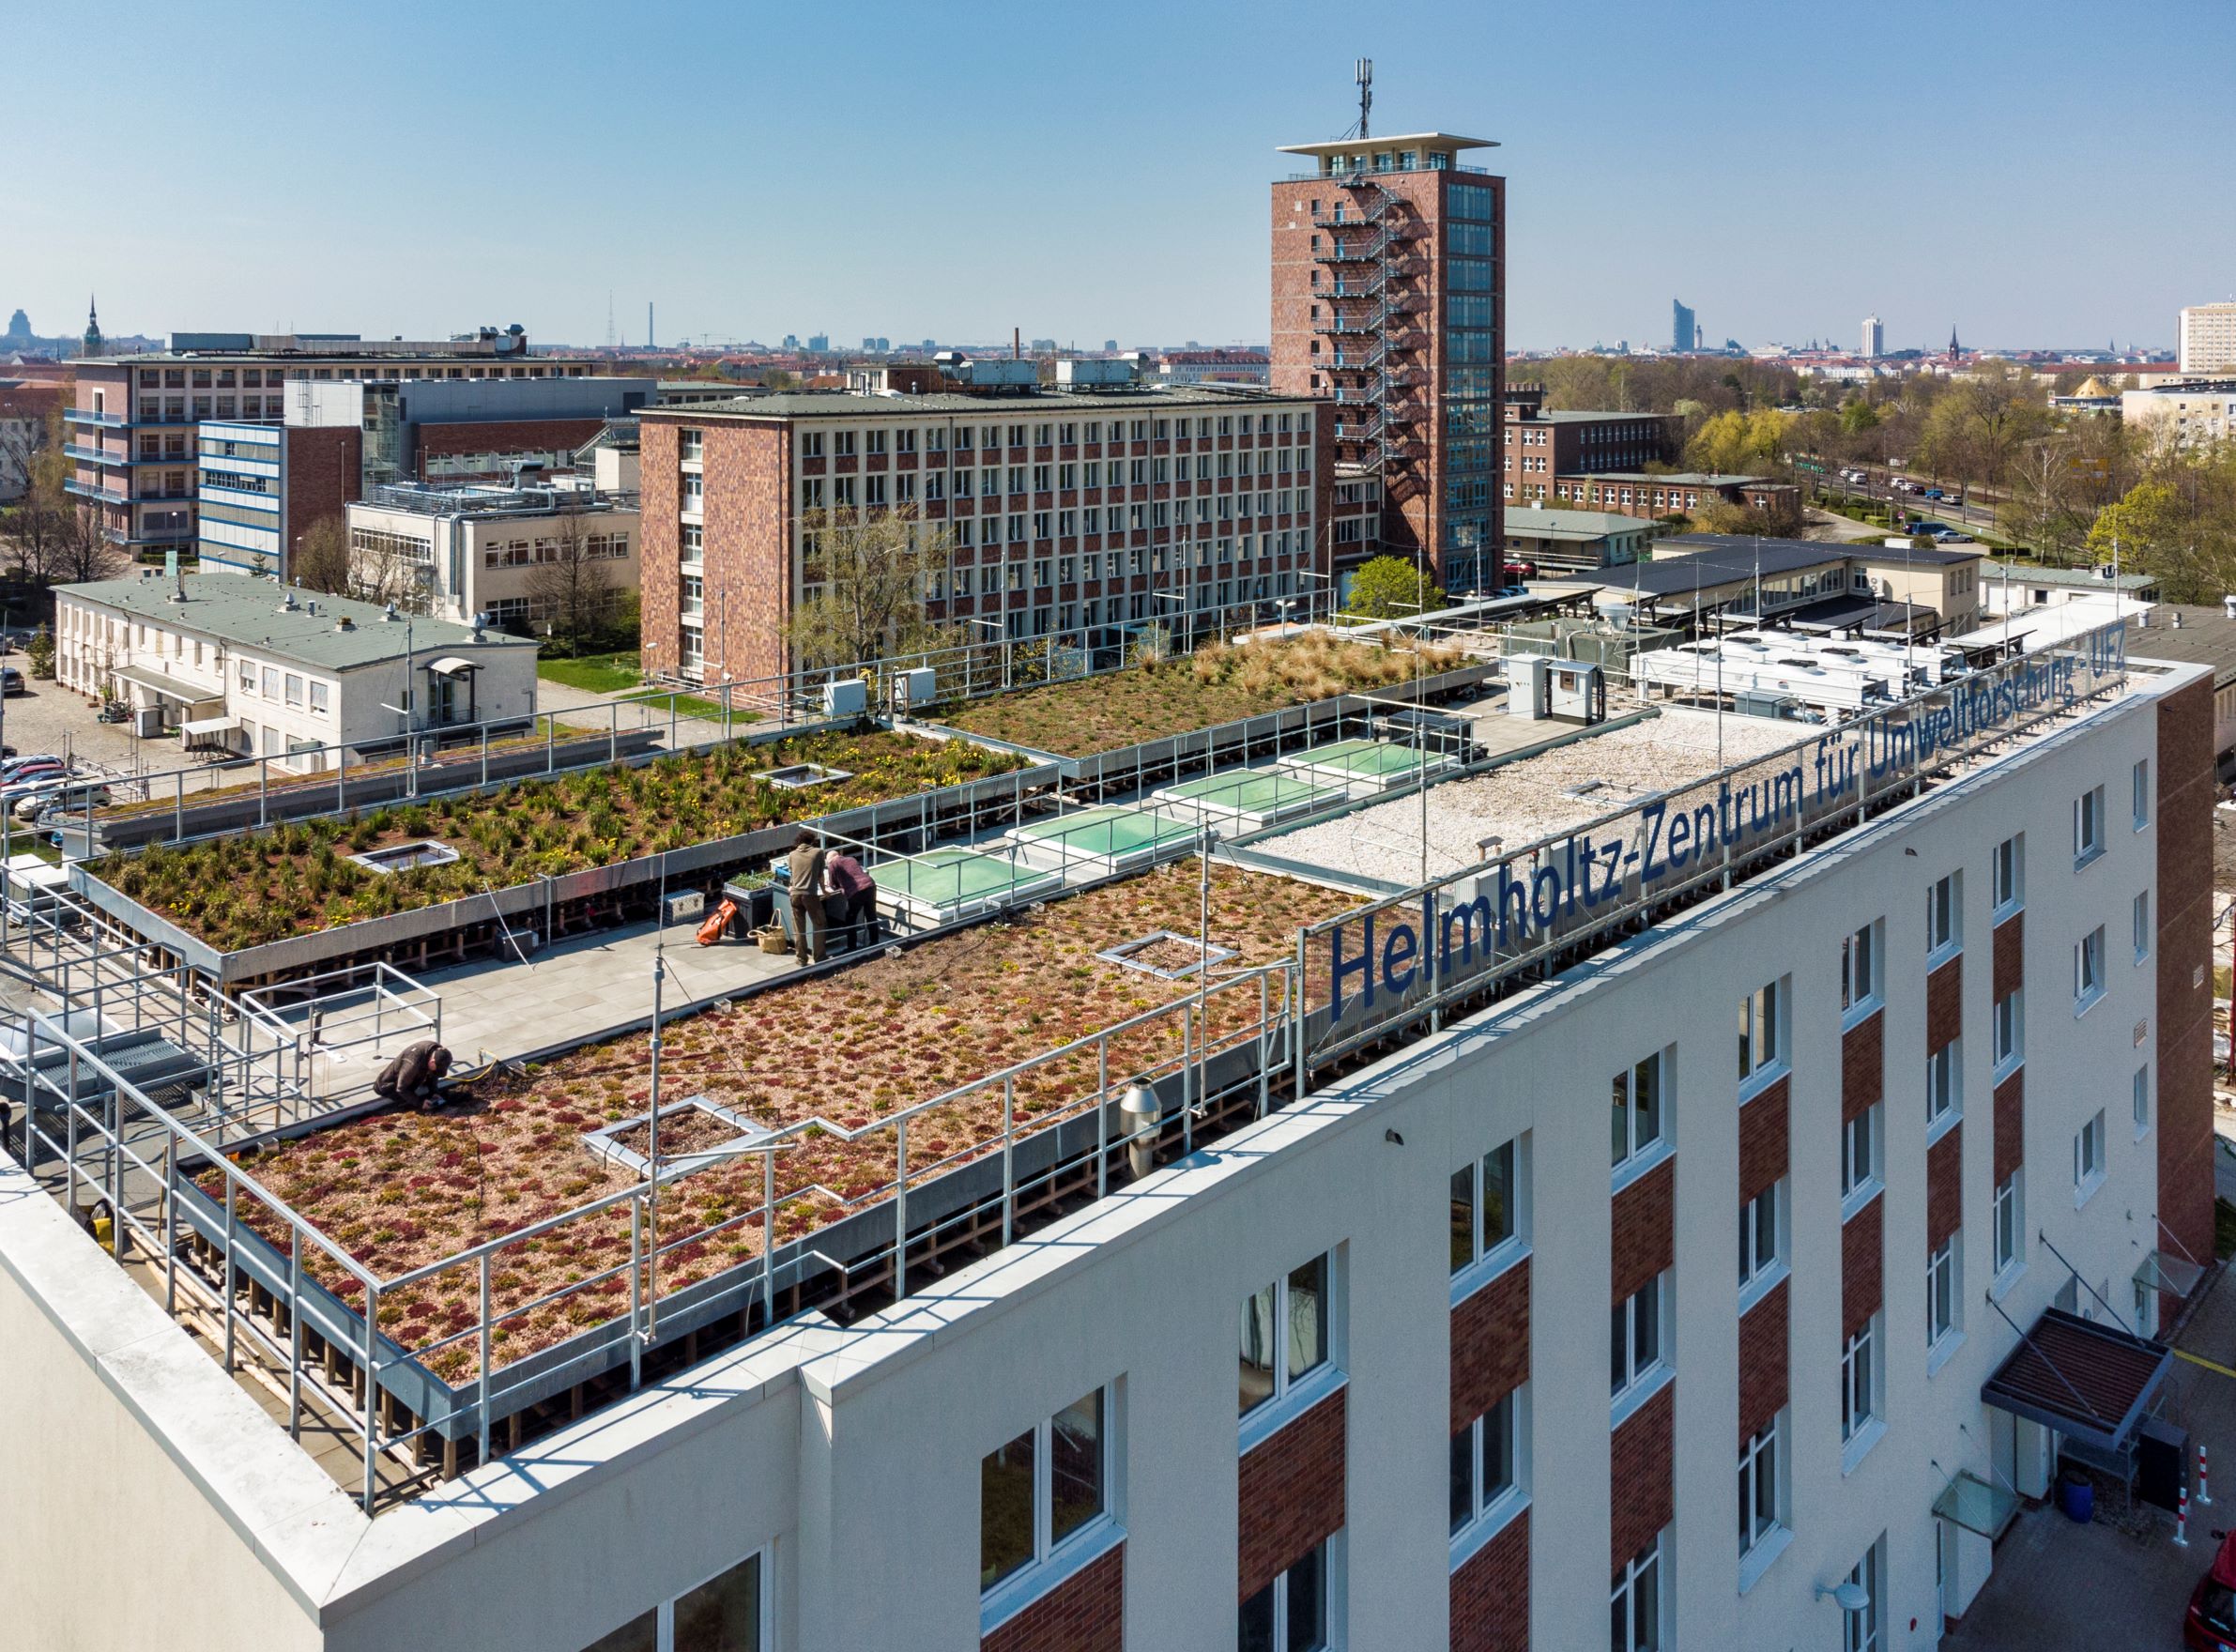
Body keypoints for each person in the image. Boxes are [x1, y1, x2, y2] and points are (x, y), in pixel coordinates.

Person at [375, 1040, 454, 1111]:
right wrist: (420, 1103)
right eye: (436, 1068)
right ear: (432, 1062)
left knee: (431, 1073)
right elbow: (401, 1088)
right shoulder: (412, 1064)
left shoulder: (438, 1051)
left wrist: (434, 1092)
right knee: (407, 1101)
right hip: (387, 1085)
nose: (435, 1071)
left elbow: (434, 1074)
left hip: (412, 1075)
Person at [787, 831, 828, 964]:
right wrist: (824, 890)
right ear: (812, 841)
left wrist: (792, 887)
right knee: (819, 924)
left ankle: (801, 958)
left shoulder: (792, 855)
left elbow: (792, 876)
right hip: (810, 895)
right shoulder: (818, 852)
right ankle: (819, 957)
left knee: (799, 928)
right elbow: (820, 875)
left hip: (795, 895)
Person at [822, 847, 876, 950]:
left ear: (830, 860)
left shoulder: (833, 864)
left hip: (856, 891)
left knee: (850, 920)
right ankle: (874, 941)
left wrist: (832, 884)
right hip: (870, 885)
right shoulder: (851, 859)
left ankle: (852, 947)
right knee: (871, 915)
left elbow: (833, 885)